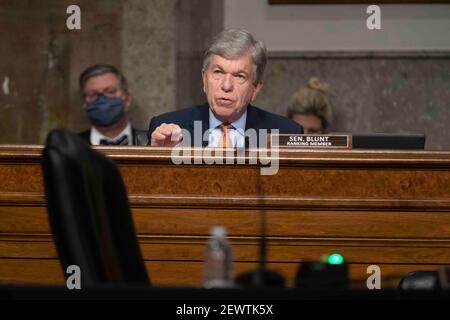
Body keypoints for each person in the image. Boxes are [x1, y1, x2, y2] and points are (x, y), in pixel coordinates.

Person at [148, 28, 303, 148]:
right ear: (204, 79)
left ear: (255, 88)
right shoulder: (167, 128)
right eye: (218, 72)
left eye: (239, 76)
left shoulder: (286, 134)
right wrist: (158, 156)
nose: (226, 86)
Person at [78, 64, 148, 145]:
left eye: (110, 92)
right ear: (84, 103)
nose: (102, 99)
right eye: (93, 94)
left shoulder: (150, 142)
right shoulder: (71, 147)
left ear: (127, 100)